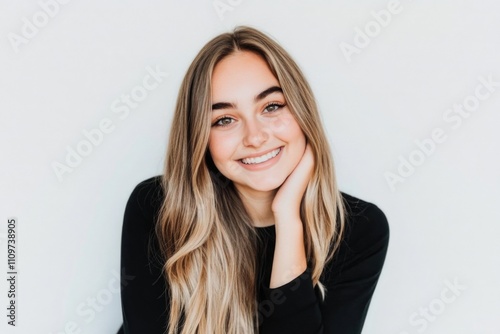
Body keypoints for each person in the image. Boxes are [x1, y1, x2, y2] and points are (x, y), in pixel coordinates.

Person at [118, 26, 390, 334]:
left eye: (271, 106)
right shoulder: (158, 207)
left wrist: (287, 218)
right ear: (199, 139)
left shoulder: (360, 229)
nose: (255, 137)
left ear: (303, 113)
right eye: (224, 120)